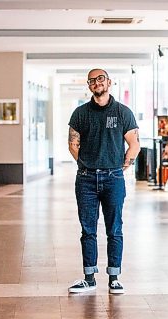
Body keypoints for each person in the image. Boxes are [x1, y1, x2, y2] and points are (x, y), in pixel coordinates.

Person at [67, 68, 140, 294]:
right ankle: (89, 278)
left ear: (109, 82)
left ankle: (114, 278)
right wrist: (87, 163)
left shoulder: (122, 112)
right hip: (86, 179)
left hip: (114, 179)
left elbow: (134, 143)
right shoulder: (80, 113)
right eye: (92, 81)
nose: (96, 83)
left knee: (114, 229)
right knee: (88, 230)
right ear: (89, 86)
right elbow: (72, 144)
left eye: (100, 79)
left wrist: (125, 163)